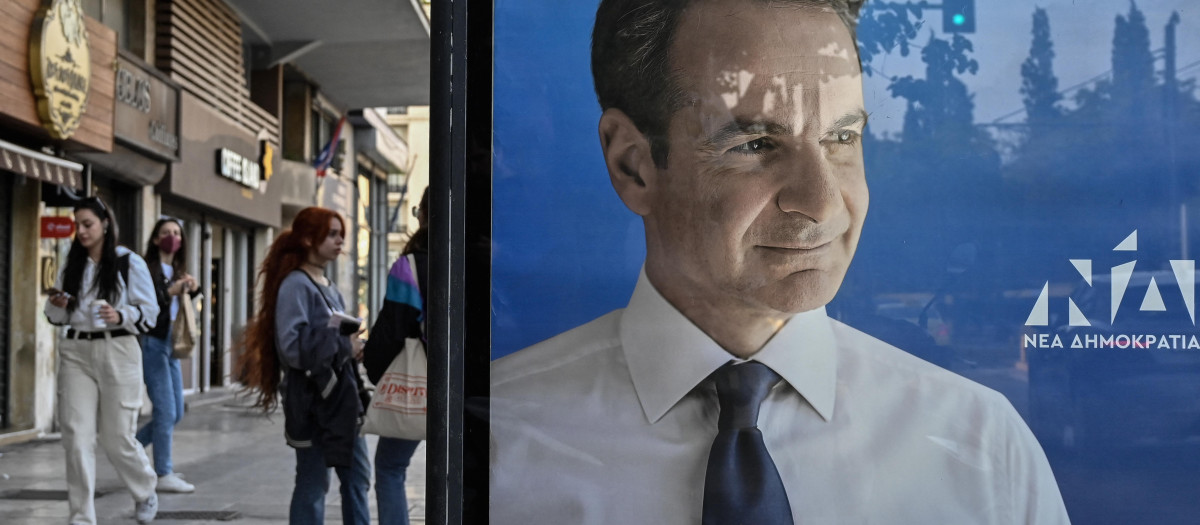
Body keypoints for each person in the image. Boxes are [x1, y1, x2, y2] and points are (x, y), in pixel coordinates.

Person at [489, 1, 1071, 524]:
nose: (823, 202)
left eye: (842, 138)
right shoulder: (492, 447)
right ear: (634, 167)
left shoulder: (982, 448)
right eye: (755, 145)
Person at [235, 206, 370, 525]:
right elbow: (292, 347)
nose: (340, 241)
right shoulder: (296, 285)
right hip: (312, 402)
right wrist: (343, 345)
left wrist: (352, 348)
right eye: (332, 234)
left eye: (341, 234)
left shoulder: (328, 286)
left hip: (343, 400)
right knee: (313, 483)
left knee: (357, 479)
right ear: (309, 239)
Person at [44, 196, 161, 525]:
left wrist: (120, 314)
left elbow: (150, 313)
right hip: (76, 351)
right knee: (76, 438)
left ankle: (145, 490)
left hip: (118, 350)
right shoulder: (72, 263)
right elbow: (55, 317)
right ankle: (82, 517)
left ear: (105, 224)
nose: (81, 231)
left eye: (88, 224)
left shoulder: (128, 262)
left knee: (116, 437)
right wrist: (56, 304)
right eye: (77, 225)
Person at [362, 188, 429, 525]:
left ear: (424, 216)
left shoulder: (410, 266)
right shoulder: (482, 256)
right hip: (476, 384)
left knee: (390, 467)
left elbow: (392, 329)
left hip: (420, 384)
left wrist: (373, 367)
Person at [135, 217, 200, 493]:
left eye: (176, 232)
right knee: (165, 410)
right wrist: (168, 292)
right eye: (165, 232)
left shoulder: (177, 270)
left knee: (176, 412)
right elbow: (145, 304)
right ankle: (163, 473)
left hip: (172, 342)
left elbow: (180, 307)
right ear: (155, 239)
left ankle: (130, 448)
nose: (172, 237)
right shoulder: (146, 269)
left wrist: (193, 289)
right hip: (153, 342)